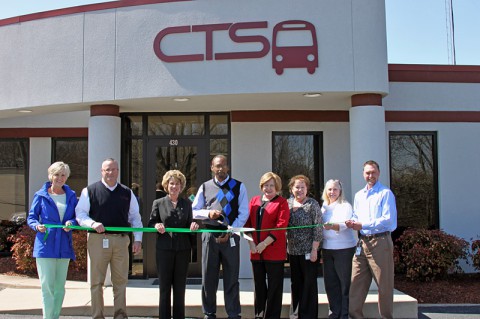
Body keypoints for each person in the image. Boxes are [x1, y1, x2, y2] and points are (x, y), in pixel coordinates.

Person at [76, 158, 143, 319]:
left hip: (121, 241)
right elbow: (80, 214)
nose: (110, 173)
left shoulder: (127, 192)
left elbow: (135, 217)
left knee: (120, 282)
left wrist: (138, 239)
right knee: (96, 282)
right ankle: (97, 315)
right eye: (107, 169)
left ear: (118, 171)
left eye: (113, 169)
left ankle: (120, 315)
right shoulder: (90, 191)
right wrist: (92, 223)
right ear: (102, 171)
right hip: (98, 240)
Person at [192, 155, 249, 319]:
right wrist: (207, 213)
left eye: (223, 166)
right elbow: (194, 210)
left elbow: (243, 212)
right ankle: (209, 312)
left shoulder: (239, 186)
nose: (220, 169)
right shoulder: (205, 187)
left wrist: (231, 230)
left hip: (230, 236)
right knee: (209, 277)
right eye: (217, 166)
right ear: (212, 167)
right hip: (210, 235)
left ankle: (233, 313)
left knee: (232, 277)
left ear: (228, 167)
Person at [345, 160, 397, 319]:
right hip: (362, 242)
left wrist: (363, 224)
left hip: (380, 242)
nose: (370, 175)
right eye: (367, 172)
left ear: (379, 173)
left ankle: (386, 317)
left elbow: (388, 220)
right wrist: (352, 222)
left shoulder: (385, 193)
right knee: (356, 283)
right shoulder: (359, 195)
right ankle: (355, 316)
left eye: (373, 172)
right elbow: (356, 216)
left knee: (384, 285)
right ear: (363, 174)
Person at [27, 161, 78, 319]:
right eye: (57, 174)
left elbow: (77, 217)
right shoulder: (40, 195)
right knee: (47, 287)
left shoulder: (71, 196)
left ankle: (55, 316)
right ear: (50, 176)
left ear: (67, 177)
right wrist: (37, 226)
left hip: (64, 245)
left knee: (59, 288)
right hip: (46, 245)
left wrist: (72, 223)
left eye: (63, 175)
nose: (60, 178)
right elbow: (31, 217)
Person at [147, 170, 199, 319]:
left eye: (177, 184)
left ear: (181, 186)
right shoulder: (158, 203)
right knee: (164, 288)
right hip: (164, 250)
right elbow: (151, 224)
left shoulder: (187, 203)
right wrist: (156, 225)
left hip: (182, 250)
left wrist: (193, 226)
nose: (174, 186)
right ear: (166, 185)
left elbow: (190, 224)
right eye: (171, 183)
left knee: (180, 288)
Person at [245, 172, 290, 319]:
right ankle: (259, 315)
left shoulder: (282, 202)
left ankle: (271, 316)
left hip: (274, 252)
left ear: (277, 187)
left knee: (274, 288)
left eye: (272, 185)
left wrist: (264, 244)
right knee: (259, 286)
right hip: (256, 252)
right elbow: (247, 225)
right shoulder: (253, 201)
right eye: (266, 185)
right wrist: (251, 244)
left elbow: (281, 226)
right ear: (261, 186)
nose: (269, 188)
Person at [286, 175, 322, 319]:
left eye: (302, 187)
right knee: (295, 283)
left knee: (309, 284)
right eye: (296, 187)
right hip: (293, 252)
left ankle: (308, 315)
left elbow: (318, 228)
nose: (299, 190)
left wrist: (314, 250)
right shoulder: (287, 204)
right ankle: (296, 313)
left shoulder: (312, 204)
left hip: (309, 251)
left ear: (307, 189)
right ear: (291, 189)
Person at [321, 179, 357, 319]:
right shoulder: (323, 206)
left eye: (335, 189)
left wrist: (331, 226)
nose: (332, 192)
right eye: (329, 189)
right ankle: (334, 313)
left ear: (340, 191)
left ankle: (344, 313)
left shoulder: (345, 205)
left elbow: (343, 225)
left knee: (344, 283)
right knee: (331, 283)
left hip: (344, 249)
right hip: (327, 249)